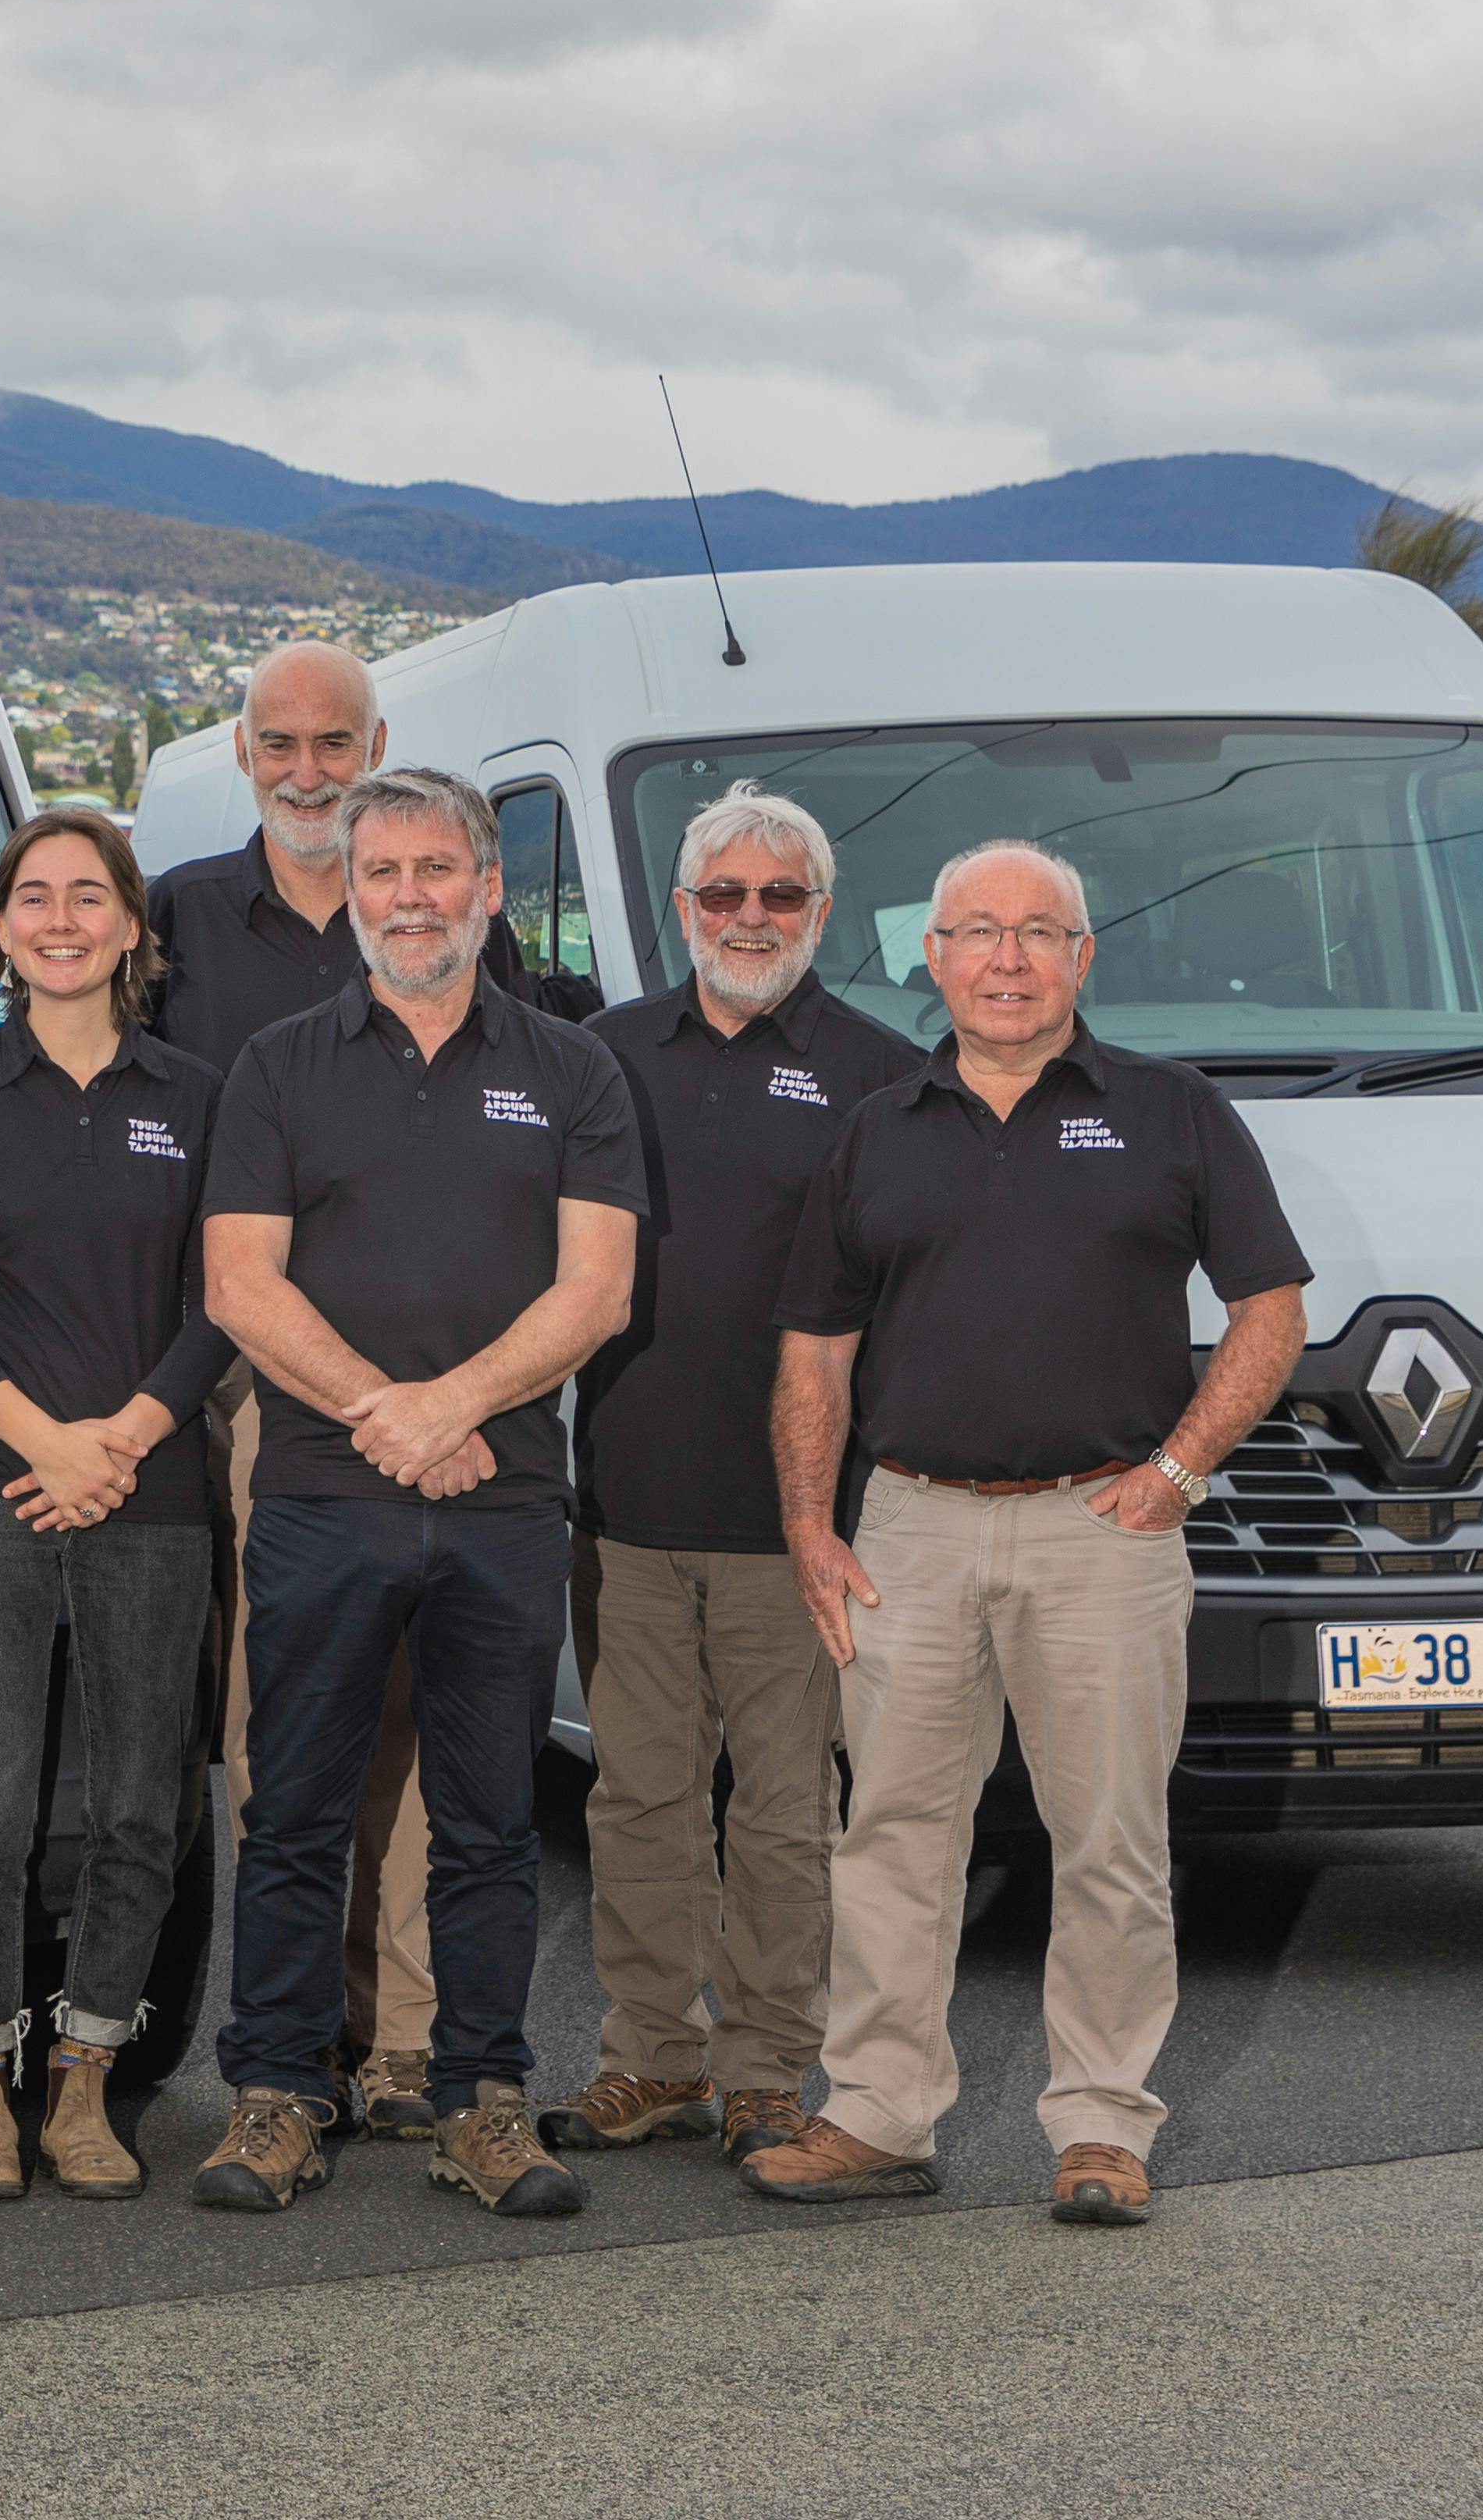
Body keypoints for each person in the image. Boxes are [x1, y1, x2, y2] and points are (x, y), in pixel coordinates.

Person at [743, 841, 1308, 2226]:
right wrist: (811, 1527)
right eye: (978, 933)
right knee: (891, 1837)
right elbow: (815, 1351)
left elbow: (1271, 1309)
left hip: (1102, 1532)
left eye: (1038, 932)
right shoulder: (876, 1128)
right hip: (913, 1532)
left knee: (1110, 1839)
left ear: (1083, 958)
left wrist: (1181, 1469)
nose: (1007, 958)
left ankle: (1104, 2127)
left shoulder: (1173, 1115)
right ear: (930, 958)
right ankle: (877, 2113)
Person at [194, 768, 639, 2220]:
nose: (407, 896)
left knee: (490, 1817)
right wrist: (388, 1419)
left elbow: (599, 1290)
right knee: (297, 1806)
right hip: (325, 1496)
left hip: (504, 1503)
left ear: (489, 886)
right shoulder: (277, 1066)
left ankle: (482, 2103)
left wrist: (452, 1411)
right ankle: (273, 2094)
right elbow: (239, 1285)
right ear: (355, 892)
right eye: (381, 872)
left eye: (436, 869)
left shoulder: (573, 1071)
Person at [144, 641, 530, 2144]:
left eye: (334, 743)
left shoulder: (461, 938)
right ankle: (298, 2040)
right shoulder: (173, 920)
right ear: (242, 754)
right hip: (252, 1391)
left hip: (453, 1397)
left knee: (433, 1735)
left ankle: (411, 2041)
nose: (305, 770)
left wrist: (440, 1402)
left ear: (379, 744)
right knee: (284, 1731)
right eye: (278, 744)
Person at [548, 784, 920, 2167]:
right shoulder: (601, 1057)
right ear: (680, 910)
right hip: (629, 1507)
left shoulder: (884, 1073)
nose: (749, 919)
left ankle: (769, 2065)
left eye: (778, 897)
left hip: (798, 1525)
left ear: (819, 913)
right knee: (637, 1798)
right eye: (723, 896)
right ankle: (650, 2058)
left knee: (781, 1810)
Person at [0, 807, 229, 2204]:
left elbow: (226, 1302)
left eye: (91, 896)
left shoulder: (200, 1097)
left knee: (144, 1803)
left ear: (133, 925)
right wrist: (46, 1442)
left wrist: (128, 1438)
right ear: (3, 928)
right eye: (37, 896)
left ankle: (86, 2075)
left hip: (153, 1491)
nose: (64, 919)